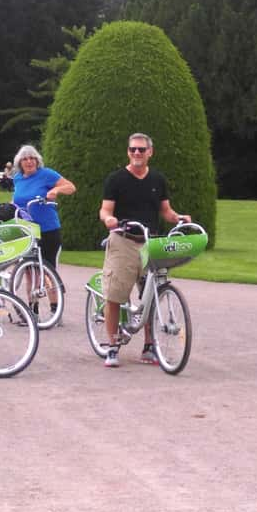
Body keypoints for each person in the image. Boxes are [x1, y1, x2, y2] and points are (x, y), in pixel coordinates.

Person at [98, 133, 191, 368]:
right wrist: (109, 219)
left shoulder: (157, 180)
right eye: (132, 150)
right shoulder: (116, 179)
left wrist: (178, 217)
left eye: (141, 149)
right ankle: (112, 345)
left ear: (150, 152)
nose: (136, 153)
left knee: (152, 293)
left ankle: (150, 346)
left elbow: (166, 211)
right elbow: (105, 209)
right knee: (116, 295)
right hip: (123, 239)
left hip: (151, 242)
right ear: (128, 152)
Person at [10, 145, 76, 316]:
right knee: (29, 270)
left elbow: (70, 187)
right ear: (20, 162)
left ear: (37, 160)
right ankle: (33, 309)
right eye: (25, 159)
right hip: (27, 229)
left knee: (47, 268)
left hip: (47, 228)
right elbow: (15, 200)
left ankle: (55, 308)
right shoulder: (18, 178)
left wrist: (55, 190)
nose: (29, 161)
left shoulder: (46, 174)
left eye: (32, 158)